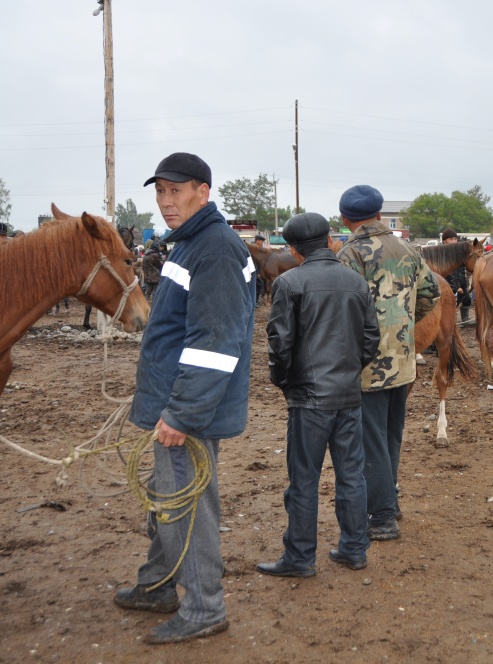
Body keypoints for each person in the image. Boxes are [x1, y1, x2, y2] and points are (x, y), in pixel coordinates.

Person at [116, 152, 255, 645]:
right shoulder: (190, 245)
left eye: (176, 191)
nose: (166, 202)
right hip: (172, 403)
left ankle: (204, 607)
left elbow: (216, 343)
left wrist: (181, 412)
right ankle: (158, 584)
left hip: (186, 413)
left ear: (204, 191)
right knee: (164, 499)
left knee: (185, 506)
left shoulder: (213, 249)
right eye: (160, 192)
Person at [257, 213, 380, 577]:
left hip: (308, 399)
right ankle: (355, 548)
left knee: (305, 479)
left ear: (293, 250)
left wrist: (284, 382)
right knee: (352, 475)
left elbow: (280, 343)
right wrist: (348, 371)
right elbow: (371, 338)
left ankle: (299, 557)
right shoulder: (356, 282)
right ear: (329, 241)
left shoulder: (289, 283)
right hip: (347, 394)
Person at [336, 185, 440, 542]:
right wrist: (405, 324)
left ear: (345, 219)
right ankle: (389, 501)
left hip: (367, 366)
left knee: (370, 440)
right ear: (380, 214)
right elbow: (431, 294)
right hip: (404, 361)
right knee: (391, 435)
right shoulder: (408, 249)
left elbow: (342, 309)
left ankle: (381, 517)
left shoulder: (349, 254)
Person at [441, 228, 473, 325]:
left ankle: (465, 319)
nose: (454, 241)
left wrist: (463, 285)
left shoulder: (459, 254)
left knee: (466, 300)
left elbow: (461, 271)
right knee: (451, 304)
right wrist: (456, 287)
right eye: (450, 239)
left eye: (455, 239)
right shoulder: (441, 254)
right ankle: (451, 321)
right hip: (448, 284)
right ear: (444, 241)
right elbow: (449, 273)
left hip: (461, 282)